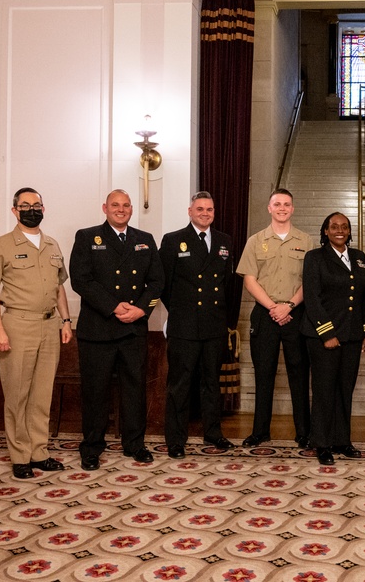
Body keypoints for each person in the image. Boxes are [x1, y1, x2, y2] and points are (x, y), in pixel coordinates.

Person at [0, 187, 73, 479]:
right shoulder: (1, 245)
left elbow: (59, 287)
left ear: (44, 209)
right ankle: (20, 455)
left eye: (37, 205)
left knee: (42, 393)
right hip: (17, 325)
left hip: (49, 325)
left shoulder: (52, 245)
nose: (32, 209)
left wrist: (66, 320)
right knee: (17, 393)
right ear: (14, 210)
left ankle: (39, 452)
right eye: (25, 205)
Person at [69, 189, 164, 470]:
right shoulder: (87, 237)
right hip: (98, 329)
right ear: (105, 208)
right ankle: (92, 447)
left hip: (134, 328)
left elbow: (158, 282)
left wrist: (142, 309)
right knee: (95, 391)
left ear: (132, 209)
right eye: (115, 205)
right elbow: (81, 280)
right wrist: (114, 307)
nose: (120, 209)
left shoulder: (144, 240)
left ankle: (135, 444)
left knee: (134, 390)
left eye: (125, 205)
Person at [236, 188, 314, 448]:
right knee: (264, 373)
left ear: (293, 209)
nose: (282, 208)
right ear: (269, 208)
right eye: (277, 204)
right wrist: (273, 307)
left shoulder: (307, 241)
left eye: (287, 204)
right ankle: (260, 431)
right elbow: (249, 279)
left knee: (299, 374)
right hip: (265, 314)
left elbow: (310, 281)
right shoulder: (255, 241)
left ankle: (304, 431)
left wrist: (289, 305)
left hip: (296, 314)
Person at [159, 191, 235, 459]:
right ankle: (176, 439)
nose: (205, 213)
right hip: (185, 325)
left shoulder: (225, 241)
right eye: (200, 209)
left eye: (210, 210)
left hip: (214, 325)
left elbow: (228, 284)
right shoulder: (173, 240)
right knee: (179, 384)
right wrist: (181, 311)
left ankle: (213, 433)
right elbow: (163, 284)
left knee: (211, 383)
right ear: (190, 211)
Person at [302, 212, 365, 466]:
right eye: (334, 226)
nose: (339, 230)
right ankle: (321, 442)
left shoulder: (359, 257)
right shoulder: (314, 258)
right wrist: (327, 333)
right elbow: (312, 298)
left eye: (344, 226)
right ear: (325, 231)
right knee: (324, 390)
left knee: (346, 390)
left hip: (353, 336)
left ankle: (342, 440)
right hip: (324, 337)